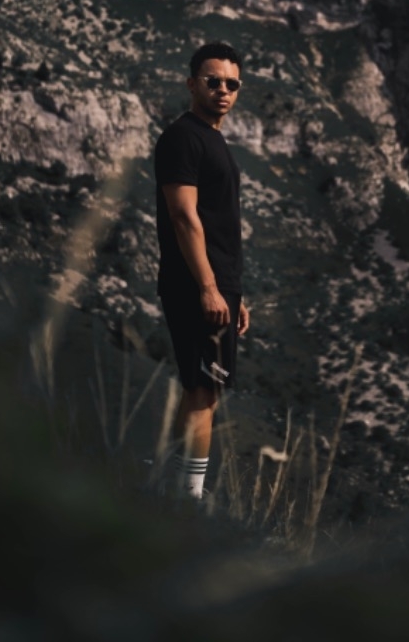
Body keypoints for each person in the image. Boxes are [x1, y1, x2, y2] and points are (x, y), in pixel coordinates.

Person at [155, 40, 250, 498]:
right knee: (204, 391)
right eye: (213, 82)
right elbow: (183, 217)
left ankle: (169, 487)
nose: (223, 90)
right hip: (195, 284)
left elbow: (217, 221)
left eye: (232, 84)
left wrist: (233, 292)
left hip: (217, 284)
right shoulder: (183, 137)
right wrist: (210, 287)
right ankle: (188, 498)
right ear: (192, 84)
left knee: (201, 389)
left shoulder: (213, 139)